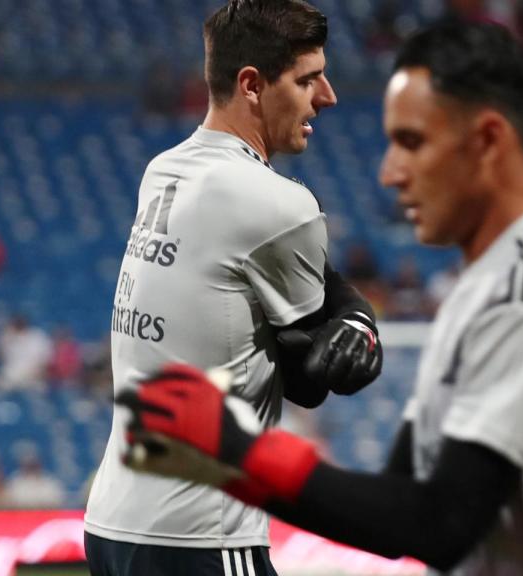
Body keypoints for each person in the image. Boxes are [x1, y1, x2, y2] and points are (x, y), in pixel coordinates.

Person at [118, 21, 523, 575]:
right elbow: (399, 502)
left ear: (489, 140)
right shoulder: (487, 290)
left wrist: (239, 451)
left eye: (412, 142)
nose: (390, 172)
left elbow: (440, 525)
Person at [84, 2, 383, 575]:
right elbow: (310, 382)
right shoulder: (278, 204)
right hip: (200, 532)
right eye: (307, 79)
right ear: (251, 84)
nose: (328, 96)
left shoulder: (164, 170)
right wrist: (358, 321)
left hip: (113, 523)